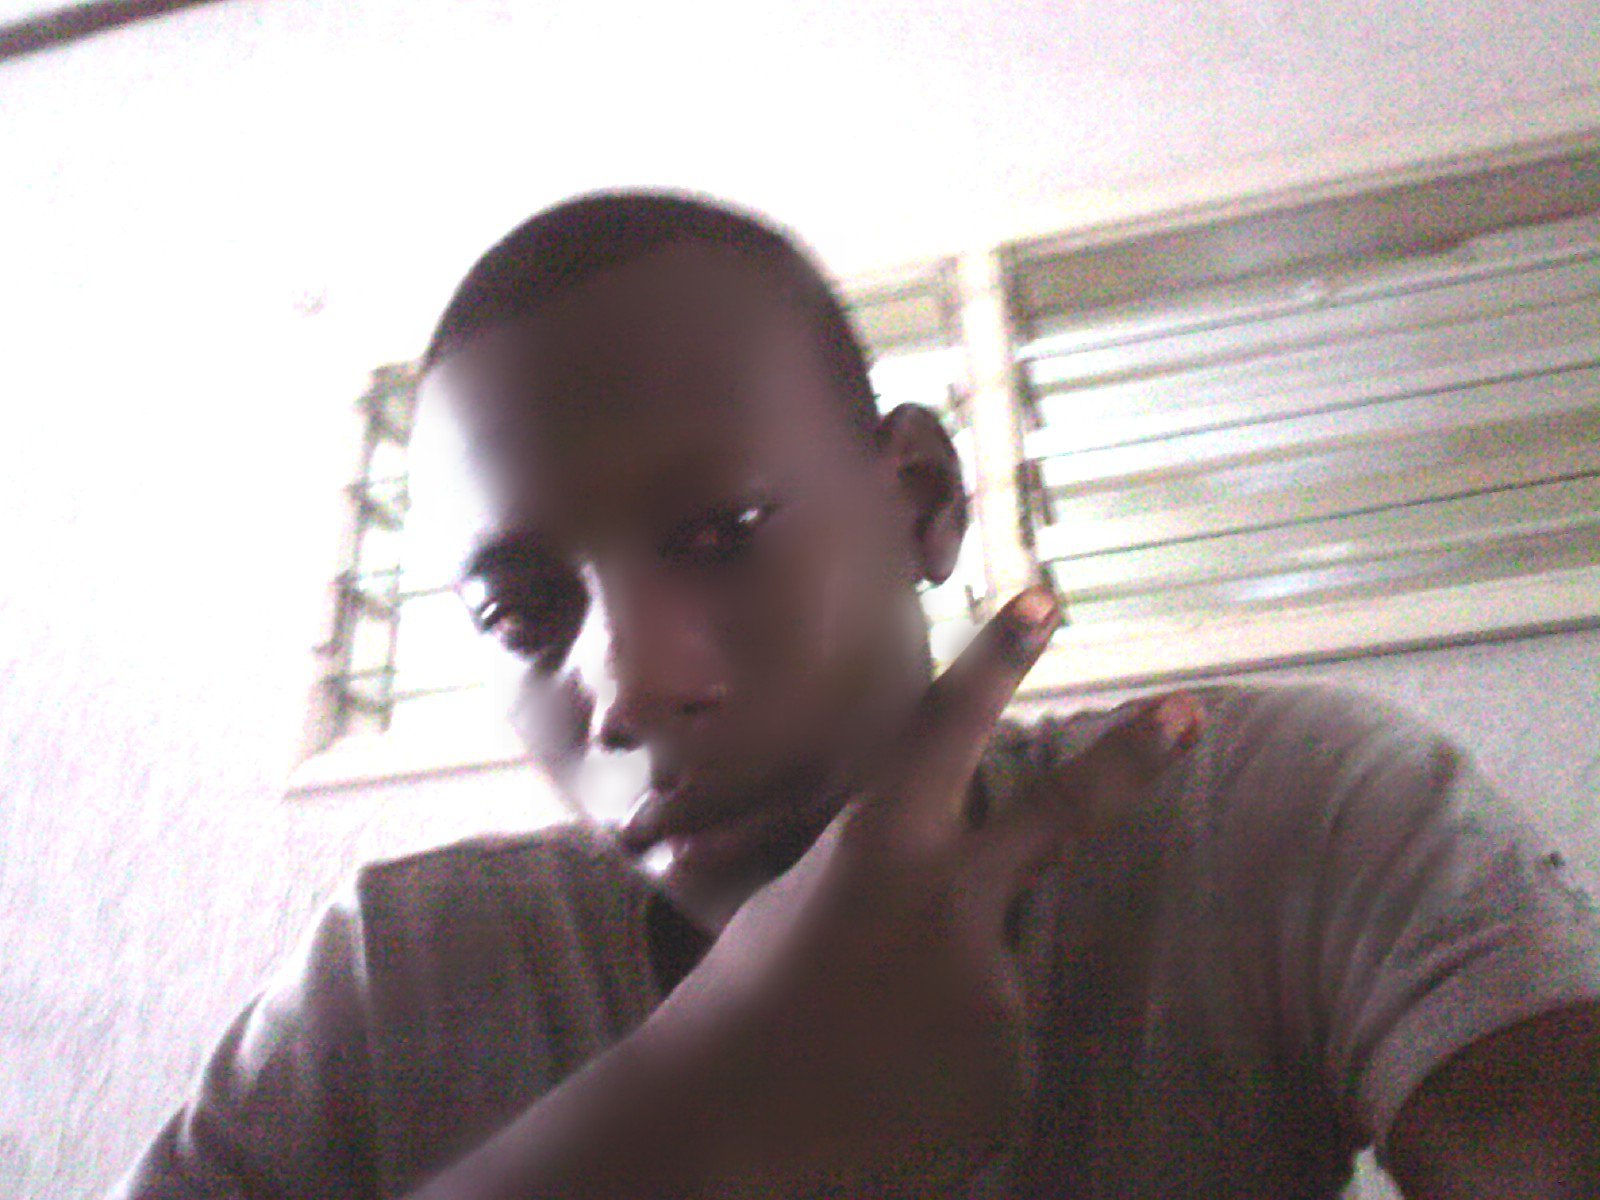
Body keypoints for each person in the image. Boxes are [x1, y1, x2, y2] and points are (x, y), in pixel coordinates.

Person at [111, 192, 1600, 1199]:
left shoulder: (1283, 816)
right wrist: (676, 1139)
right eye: (519, 610)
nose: (629, 691)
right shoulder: (391, 982)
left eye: (719, 535)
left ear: (922, 501)